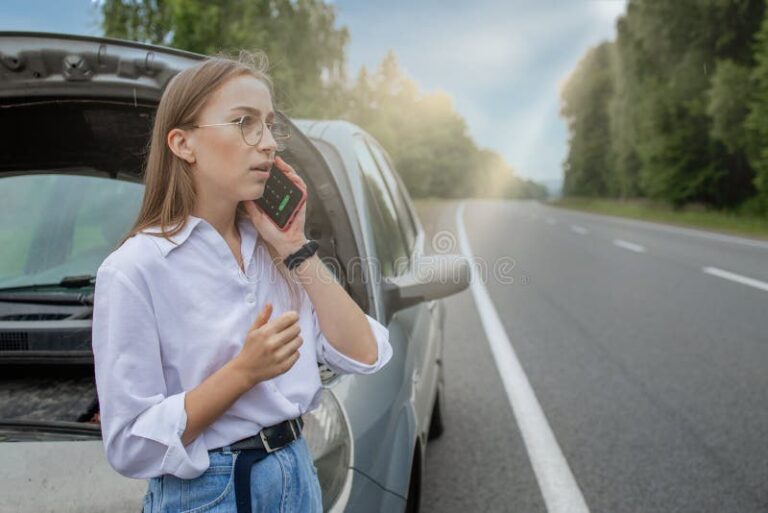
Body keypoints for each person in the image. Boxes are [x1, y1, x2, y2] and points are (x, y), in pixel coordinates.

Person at [91, 50, 394, 513]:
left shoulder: (277, 252)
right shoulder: (134, 269)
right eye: (244, 122)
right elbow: (130, 443)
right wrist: (244, 372)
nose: (268, 143)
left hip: (297, 471)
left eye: (270, 125)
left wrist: (296, 246)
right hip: (210, 492)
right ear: (183, 143)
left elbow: (364, 353)